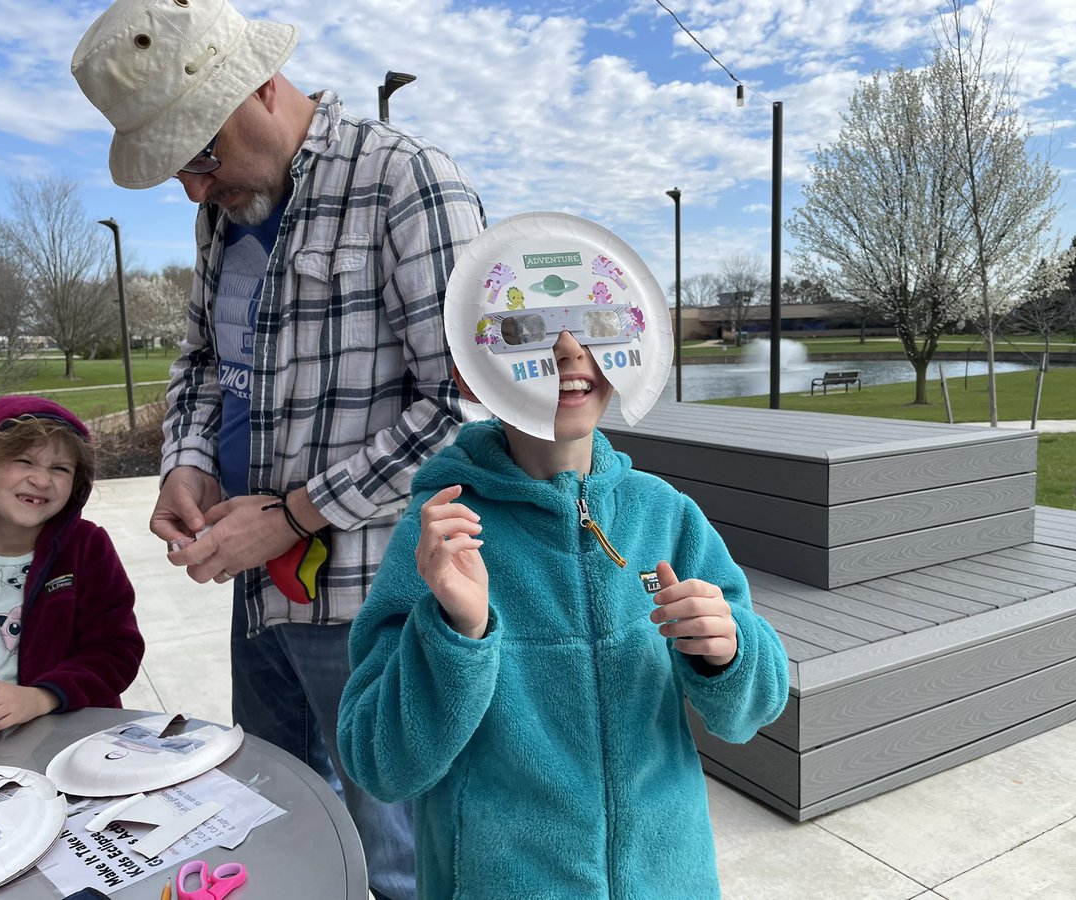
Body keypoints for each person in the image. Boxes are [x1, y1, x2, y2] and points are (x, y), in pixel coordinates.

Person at [71, 2, 484, 897]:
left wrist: (294, 516)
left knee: (398, 854)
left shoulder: (406, 181)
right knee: (277, 824)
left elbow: (464, 405)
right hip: (256, 586)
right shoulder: (226, 209)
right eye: (179, 165)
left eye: (201, 155)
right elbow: (204, 360)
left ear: (261, 87)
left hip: (367, 596)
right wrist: (184, 457)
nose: (192, 188)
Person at [337, 214, 790, 898]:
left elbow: (752, 709)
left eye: (597, 324)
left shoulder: (667, 518)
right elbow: (380, 763)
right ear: (472, 364)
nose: (571, 350)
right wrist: (456, 634)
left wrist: (728, 651)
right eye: (527, 331)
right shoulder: (440, 536)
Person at [0, 396, 143, 732]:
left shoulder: (87, 547)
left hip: (70, 732)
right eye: (24, 460)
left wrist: (42, 696)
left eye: (60, 468)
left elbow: (116, 650)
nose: (42, 481)